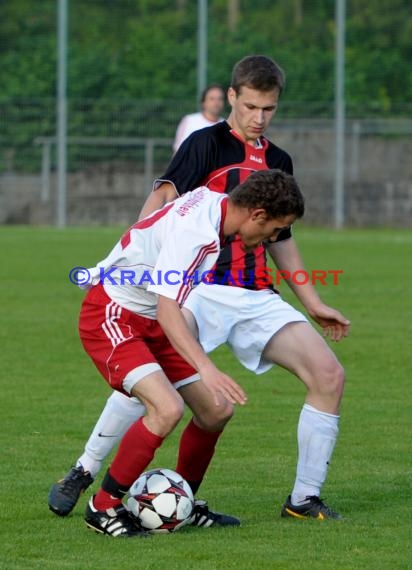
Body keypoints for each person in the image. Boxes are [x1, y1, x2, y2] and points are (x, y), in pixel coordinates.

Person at [49, 55, 350, 523]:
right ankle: (86, 473)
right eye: (251, 106)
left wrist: (311, 301)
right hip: (192, 288)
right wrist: (137, 254)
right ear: (232, 97)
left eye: (268, 109)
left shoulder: (278, 164)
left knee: (314, 380)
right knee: (150, 390)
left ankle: (291, 499)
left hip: (251, 292)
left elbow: (281, 239)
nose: (259, 117)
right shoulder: (204, 146)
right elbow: (165, 201)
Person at [78, 170, 305, 537]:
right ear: (258, 215)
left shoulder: (216, 205)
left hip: (151, 319)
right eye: (276, 229)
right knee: (167, 408)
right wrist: (207, 367)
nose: (273, 239)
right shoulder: (197, 235)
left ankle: (181, 502)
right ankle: (101, 507)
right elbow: (170, 310)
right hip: (113, 314)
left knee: (216, 410)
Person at [172, 84, 225, 153]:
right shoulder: (189, 121)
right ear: (203, 102)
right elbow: (177, 152)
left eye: (220, 99)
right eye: (212, 99)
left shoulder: (227, 127)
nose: (216, 102)